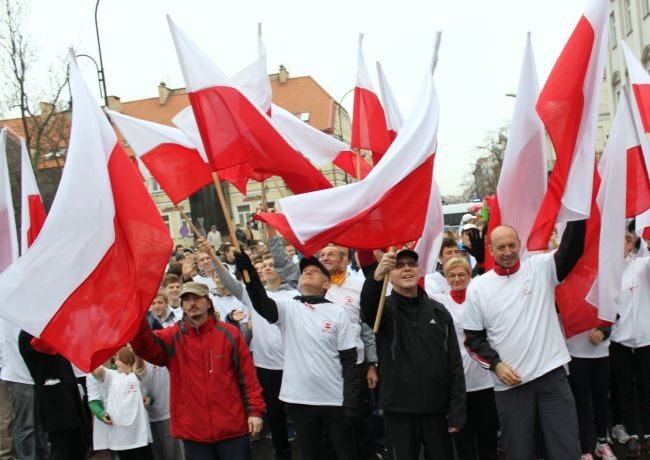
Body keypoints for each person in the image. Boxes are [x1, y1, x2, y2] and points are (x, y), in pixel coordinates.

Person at [463, 221, 586, 459]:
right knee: (520, 452)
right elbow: (473, 340)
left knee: (566, 449)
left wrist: (576, 209)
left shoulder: (541, 268)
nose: (507, 252)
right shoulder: (478, 288)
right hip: (511, 386)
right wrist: (496, 365)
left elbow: (573, 249)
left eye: (512, 245)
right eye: (501, 247)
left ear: (520, 245)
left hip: (551, 376)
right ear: (490, 250)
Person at [235, 252, 360, 460]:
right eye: (304, 271)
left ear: (326, 284)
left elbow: (349, 361)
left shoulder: (339, 313)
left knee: (344, 454)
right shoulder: (288, 307)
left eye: (315, 271)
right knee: (311, 454)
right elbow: (260, 301)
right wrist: (248, 271)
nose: (308, 272)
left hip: (334, 400)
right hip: (299, 400)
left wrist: (351, 404)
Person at [131, 281, 265, 460]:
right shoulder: (172, 337)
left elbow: (247, 377)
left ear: (208, 303)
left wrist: (254, 412)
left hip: (231, 428)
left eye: (196, 298)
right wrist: (136, 317)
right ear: (182, 305)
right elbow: (144, 346)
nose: (192, 303)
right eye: (186, 300)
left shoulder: (230, 334)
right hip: (194, 431)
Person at [360, 249, 466, 460]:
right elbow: (368, 307)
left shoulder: (439, 312)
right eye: (399, 265)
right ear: (391, 273)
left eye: (411, 263)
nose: (407, 268)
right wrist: (376, 277)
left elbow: (454, 363)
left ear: (419, 270)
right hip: (399, 410)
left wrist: (457, 410)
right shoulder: (384, 309)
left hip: (436, 409)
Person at [431, 257, 497, 460]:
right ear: (446, 278)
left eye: (462, 274)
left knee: (488, 435)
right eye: (452, 275)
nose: (457, 278)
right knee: (463, 438)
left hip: (485, 380)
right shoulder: (440, 303)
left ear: (469, 276)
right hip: (458, 384)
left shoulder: (479, 299)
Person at [318, 243, 378, 460]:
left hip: (356, 365)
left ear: (345, 260)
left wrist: (371, 363)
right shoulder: (312, 287)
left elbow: (366, 327)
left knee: (361, 418)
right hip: (324, 367)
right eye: (322, 254)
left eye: (331, 254)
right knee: (330, 422)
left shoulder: (359, 285)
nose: (325, 257)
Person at [609, 232, 650, 457]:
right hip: (619, 341)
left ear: (630, 244)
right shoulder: (607, 272)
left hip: (646, 339)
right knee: (624, 391)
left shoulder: (643, 265)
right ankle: (633, 433)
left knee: (646, 388)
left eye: (622, 241)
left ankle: (648, 433)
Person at [18, 330, 90, 460]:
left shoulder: (51, 332)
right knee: (62, 448)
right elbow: (46, 346)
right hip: (54, 401)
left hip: (70, 394)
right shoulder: (28, 335)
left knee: (79, 444)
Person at [89, 347, 154, 460]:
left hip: (138, 433)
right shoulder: (111, 376)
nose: (116, 362)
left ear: (127, 360)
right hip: (119, 434)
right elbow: (95, 370)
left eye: (119, 359)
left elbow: (139, 361)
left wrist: (133, 348)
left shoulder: (137, 376)